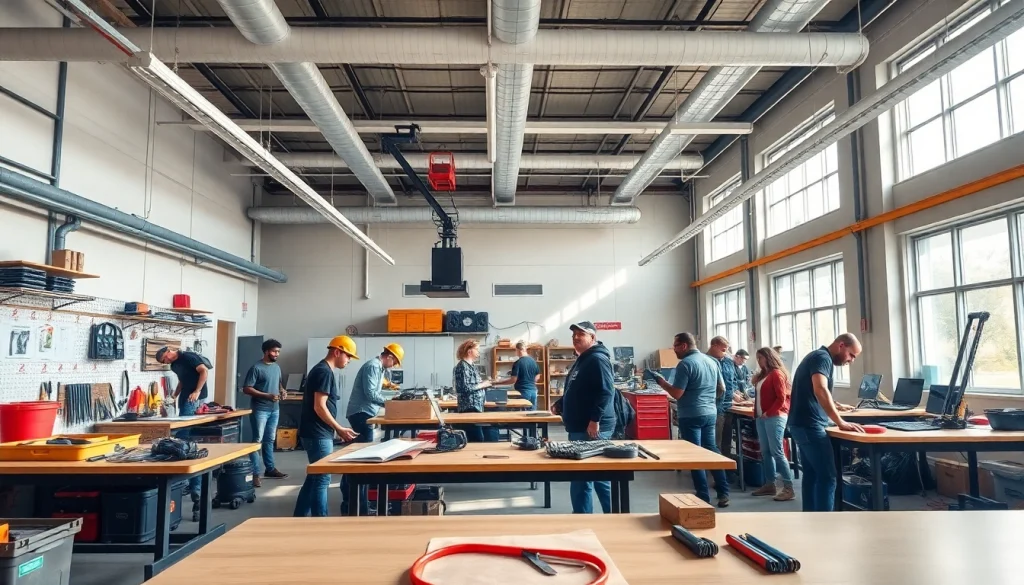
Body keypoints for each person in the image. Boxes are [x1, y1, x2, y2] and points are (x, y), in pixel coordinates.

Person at [650, 333, 730, 507]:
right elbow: (721, 388)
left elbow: (677, 393)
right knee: (712, 451)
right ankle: (723, 491)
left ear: (684, 345)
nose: (674, 349)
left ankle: (703, 496)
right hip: (710, 412)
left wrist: (661, 382)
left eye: (675, 346)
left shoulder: (685, 364)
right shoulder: (712, 361)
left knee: (694, 455)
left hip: (691, 414)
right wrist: (707, 400)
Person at [788, 333, 865, 512]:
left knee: (812, 475)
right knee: (828, 477)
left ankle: (811, 519)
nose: (851, 360)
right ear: (841, 345)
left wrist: (837, 406)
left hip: (802, 424)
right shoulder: (822, 358)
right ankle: (824, 524)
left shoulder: (817, 356)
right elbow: (820, 388)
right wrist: (839, 421)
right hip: (810, 426)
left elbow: (811, 392)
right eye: (851, 355)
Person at [552, 321, 616, 514]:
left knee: (591, 477)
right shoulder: (584, 359)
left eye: (581, 334)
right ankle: (586, 516)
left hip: (592, 427)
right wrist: (561, 404)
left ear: (593, 337)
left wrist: (595, 420)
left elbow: (606, 391)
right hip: (580, 426)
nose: (576, 338)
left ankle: (613, 515)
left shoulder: (597, 359)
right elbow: (576, 388)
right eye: (573, 336)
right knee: (585, 477)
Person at [293, 336, 360, 517]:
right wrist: (339, 428)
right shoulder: (323, 372)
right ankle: (321, 522)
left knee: (314, 478)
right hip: (317, 434)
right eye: (348, 356)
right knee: (322, 478)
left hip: (316, 432)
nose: (348, 361)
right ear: (337, 352)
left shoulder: (322, 370)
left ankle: (298, 518)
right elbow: (319, 406)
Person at [341, 343, 404, 514]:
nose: (394, 366)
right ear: (389, 356)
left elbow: (378, 386)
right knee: (362, 462)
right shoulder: (373, 366)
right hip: (361, 413)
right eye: (395, 362)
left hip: (365, 412)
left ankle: (354, 501)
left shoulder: (379, 369)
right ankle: (355, 504)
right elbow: (370, 394)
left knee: (358, 459)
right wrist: (391, 403)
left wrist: (391, 389)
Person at [156, 346, 210, 510]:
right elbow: (182, 380)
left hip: (194, 397)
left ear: (170, 350)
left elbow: (204, 372)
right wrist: (174, 396)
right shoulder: (174, 366)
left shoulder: (188, 357)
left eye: (166, 357)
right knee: (183, 434)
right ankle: (189, 482)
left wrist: (197, 391)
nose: (167, 361)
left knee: (184, 437)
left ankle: (193, 484)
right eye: (164, 361)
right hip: (185, 396)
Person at [241, 339, 289, 488]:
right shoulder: (256, 368)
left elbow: (278, 382)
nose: (277, 354)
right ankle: (255, 473)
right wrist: (267, 395)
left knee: (269, 440)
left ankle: (270, 469)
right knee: (257, 441)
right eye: (274, 351)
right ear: (266, 351)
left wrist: (282, 390)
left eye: (278, 352)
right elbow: (247, 388)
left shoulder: (276, 367)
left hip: (275, 409)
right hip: (260, 409)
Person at [749, 347, 795, 501]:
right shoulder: (764, 375)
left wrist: (769, 411)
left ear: (768, 357)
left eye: (760, 358)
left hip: (775, 416)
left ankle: (788, 487)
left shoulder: (777, 374)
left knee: (777, 451)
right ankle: (770, 484)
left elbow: (781, 398)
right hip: (762, 417)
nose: (759, 361)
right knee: (766, 451)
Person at [453, 339, 497, 442]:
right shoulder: (463, 366)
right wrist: (483, 384)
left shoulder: (471, 366)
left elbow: (475, 384)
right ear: (469, 351)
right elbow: (465, 388)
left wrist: (486, 384)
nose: (478, 352)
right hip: (469, 407)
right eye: (476, 349)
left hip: (476, 406)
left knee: (479, 437)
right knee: (475, 439)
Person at [708, 336, 740, 468]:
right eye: (723, 349)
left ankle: (727, 468)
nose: (725, 352)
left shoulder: (728, 362)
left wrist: (735, 393)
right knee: (716, 440)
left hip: (729, 405)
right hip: (714, 405)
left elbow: (732, 381)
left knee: (727, 439)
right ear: (714, 346)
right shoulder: (706, 361)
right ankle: (716, 470)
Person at [492, 341, 541, 409]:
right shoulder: (533, 362)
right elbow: (537, 376)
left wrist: (496, 383)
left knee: (522, 415)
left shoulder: (518, 363)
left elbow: (513, 380)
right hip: (533, 391)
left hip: (523, 392)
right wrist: (530, 381)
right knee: (532, 415)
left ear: (518, 350)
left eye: (516, 350)